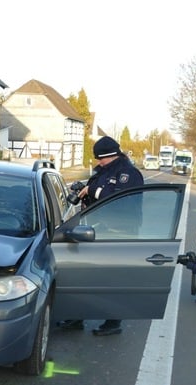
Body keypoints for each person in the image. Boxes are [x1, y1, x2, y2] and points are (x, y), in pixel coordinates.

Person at [57, 135, 144, 336]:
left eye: (100, 158)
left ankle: (113, 323)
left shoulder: (129, 174)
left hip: (119, 235)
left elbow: (120, 201)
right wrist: (84, 191)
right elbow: (97, 193)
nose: (98, 162)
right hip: (95, 231)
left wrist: (94, 190)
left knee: (113, 281)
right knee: (84, 277)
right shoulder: (103, 172)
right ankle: (77, 317)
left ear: (111, 156)